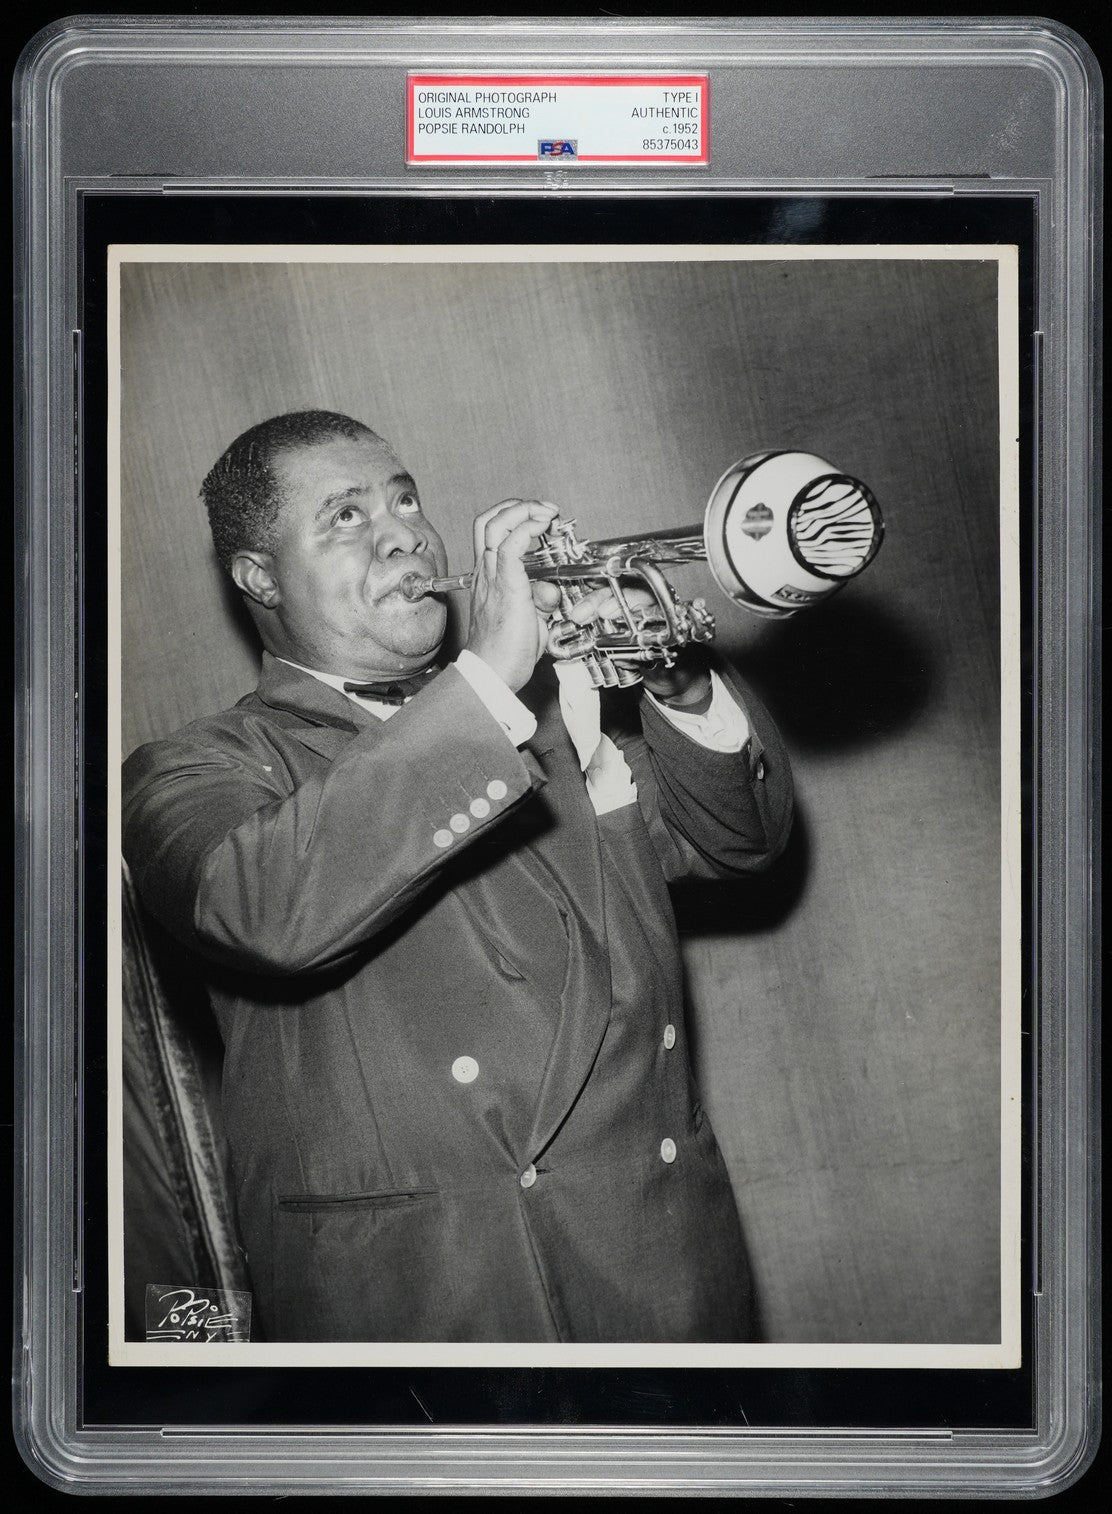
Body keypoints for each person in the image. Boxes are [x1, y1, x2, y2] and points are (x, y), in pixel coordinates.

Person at [123, 409, 793, 1343]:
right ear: (258, 576)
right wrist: (485, 678)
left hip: (661, 1272)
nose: (405, 532)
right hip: (430, 1298)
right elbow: (261, 907)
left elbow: (739, 841)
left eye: (406, 499)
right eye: (347, 517)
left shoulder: (546, 718)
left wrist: (675, 681)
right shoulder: (198, 767)